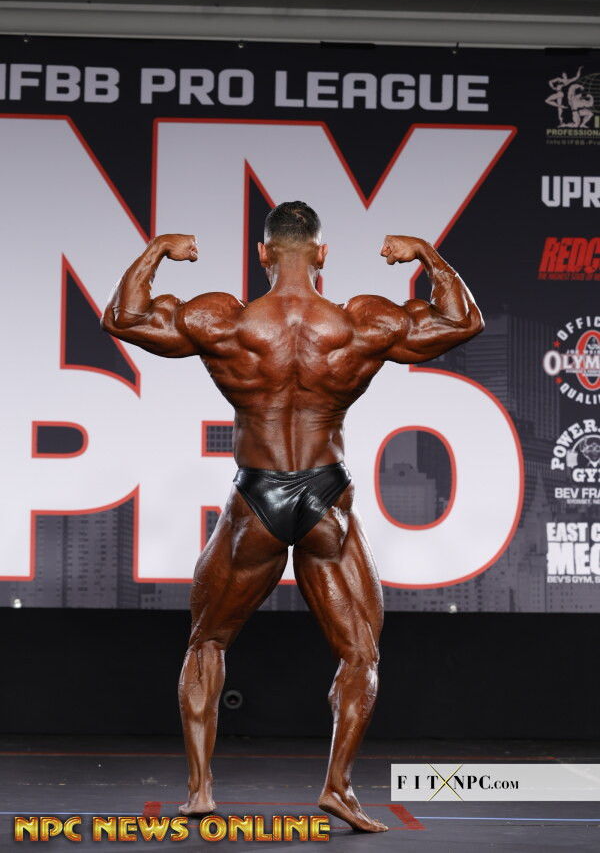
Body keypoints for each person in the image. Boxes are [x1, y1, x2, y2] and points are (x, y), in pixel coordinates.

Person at [101, 202, 483, 832]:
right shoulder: (360, 323)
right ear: (323, 254)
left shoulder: (227, 321)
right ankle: (338, 788)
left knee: (207, 642)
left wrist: (158, 249)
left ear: (263, 254)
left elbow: (124, 317)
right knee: (361, 654)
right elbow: (462, 321)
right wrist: (425, 254)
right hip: (326, 497)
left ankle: (200, 791)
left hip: (256, 496)